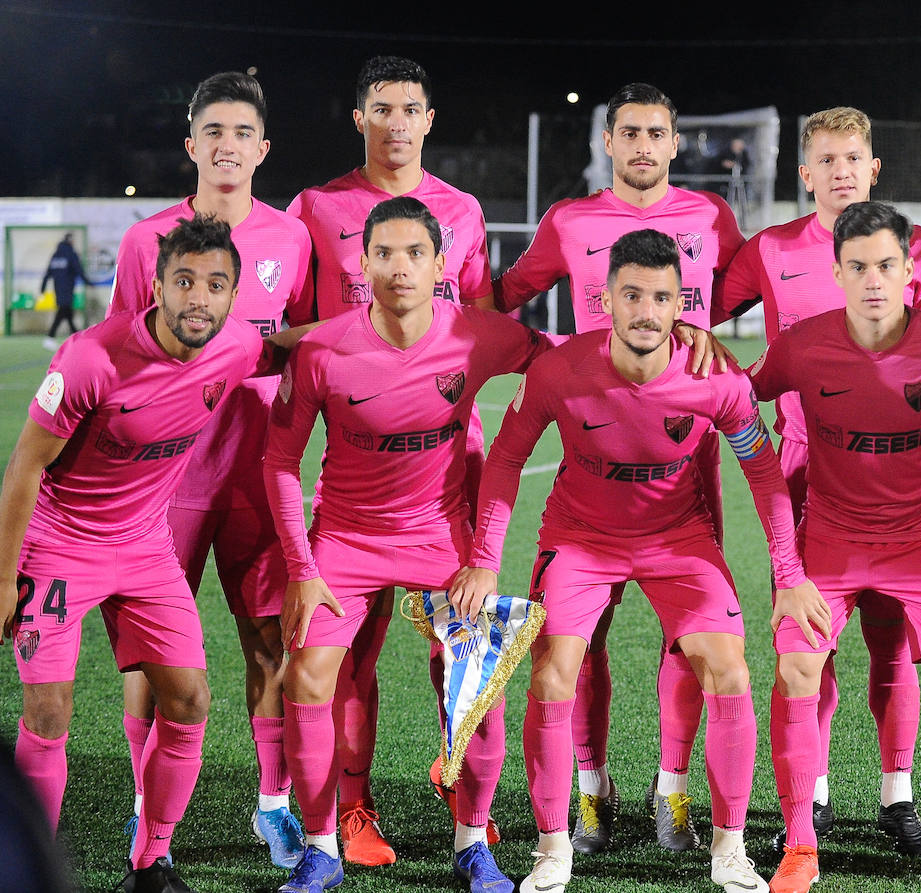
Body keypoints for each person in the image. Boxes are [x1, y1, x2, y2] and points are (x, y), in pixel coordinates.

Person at [452, 228, 823, 893]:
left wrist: (790, 578)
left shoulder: (715, 375)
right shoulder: (561, 369)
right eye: (632, 296)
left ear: (681, 301)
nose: (647, 311)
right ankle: (552, 847)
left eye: (661, 297)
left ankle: (729, 848)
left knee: (731, 669)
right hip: (580, 537)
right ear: (606, 299)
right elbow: (505, 459)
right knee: (553, 672)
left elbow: (765, 476)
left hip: (677, 539)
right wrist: (484, 559)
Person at [1, 214, 307, 893]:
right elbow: (24, 466)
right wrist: (1, 579)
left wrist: (373, 322)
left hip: (143, 547)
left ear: (234, 298)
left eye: (215, 285)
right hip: (60, 546)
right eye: (185, 281)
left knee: (190, 698)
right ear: (157, 286)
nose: (199, 298)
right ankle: (32, 873)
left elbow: (281, 349)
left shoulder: (230, 348)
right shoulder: (92, 357)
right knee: (48, 714)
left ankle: (152, 863)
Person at [263, 196, 552, 893]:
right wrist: (301, 569)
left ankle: (472, 842)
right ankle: (323, 847)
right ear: (361, 265)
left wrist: (484, 554)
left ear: (439, 264)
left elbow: (556, 368)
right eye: (384, 253)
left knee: (477, 683)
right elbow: (278, 460)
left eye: (414, 253)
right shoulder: (325, 348)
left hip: (441, 536)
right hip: (345, 539)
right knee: (307, 676)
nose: (399, 266)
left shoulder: (478, 334)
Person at [490, 82, 746, 854]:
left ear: (675, 143)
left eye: (656, 132)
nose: (642, 144)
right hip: (594, 444)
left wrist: (698, 330)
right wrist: (540, 353)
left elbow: (739, 293)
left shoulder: (711, 217)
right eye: (628, 131)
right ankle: (591, 788)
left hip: (686, 448)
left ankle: (672, 790)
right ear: (608, 142)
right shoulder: (572, 221)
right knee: (582, 633)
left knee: (690, 631)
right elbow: (508, 295)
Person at [746, 201, 921, 893]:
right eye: (857, 267)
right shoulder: (804, 345)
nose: (872, 280)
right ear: (837, 272)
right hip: (830, 539)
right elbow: (738, 403)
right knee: (797, 667)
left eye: (886, 265)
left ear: (909, 269)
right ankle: (800, 844)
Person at [717, 106, 921, 856]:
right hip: (801, 474)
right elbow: (700, 311)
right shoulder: (772, 249)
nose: (843, 168)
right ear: (805, 172)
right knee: (809, 648)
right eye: (828, 157)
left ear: (874, 167)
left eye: (855, 155)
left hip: (896, 481)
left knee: (891, 643)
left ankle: (898, 795)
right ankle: (811, 795)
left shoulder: (918, 248)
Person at [287, 54, 495, 864]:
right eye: (382, 108)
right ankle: (353, 808)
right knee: (352, 648)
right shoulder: (318, 208)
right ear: (360, 118)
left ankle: (459, 786)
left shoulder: (464, 210)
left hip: (451, 458)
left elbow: (484, 324)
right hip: (359, 465)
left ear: (429, 120)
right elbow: (302, 329)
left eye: (411, 108)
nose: (397, 122)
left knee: (461, 648)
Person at [107, 70, 314, 869]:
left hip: (255, 473)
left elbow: (303, 342)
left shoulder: (289, 239)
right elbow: (116, 358)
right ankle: (143, 812)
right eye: (213, 133)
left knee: (268, 640)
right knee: (151, 652)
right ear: (192, 144)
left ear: (262, 149)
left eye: (243, 134)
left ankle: (272, 807)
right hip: (160, 483)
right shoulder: (143, 241)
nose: (228, 147)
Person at [40, 233, 90, 350]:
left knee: (67, 313)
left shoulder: (56, 255)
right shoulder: (71, 254)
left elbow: (48, 273)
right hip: (68, 288)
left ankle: (76, 337)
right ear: (71, 241)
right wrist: (88, 282)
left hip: (58, 288)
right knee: (63, 311)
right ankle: (50, 337)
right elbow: (79, 270)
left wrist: (43, 287)